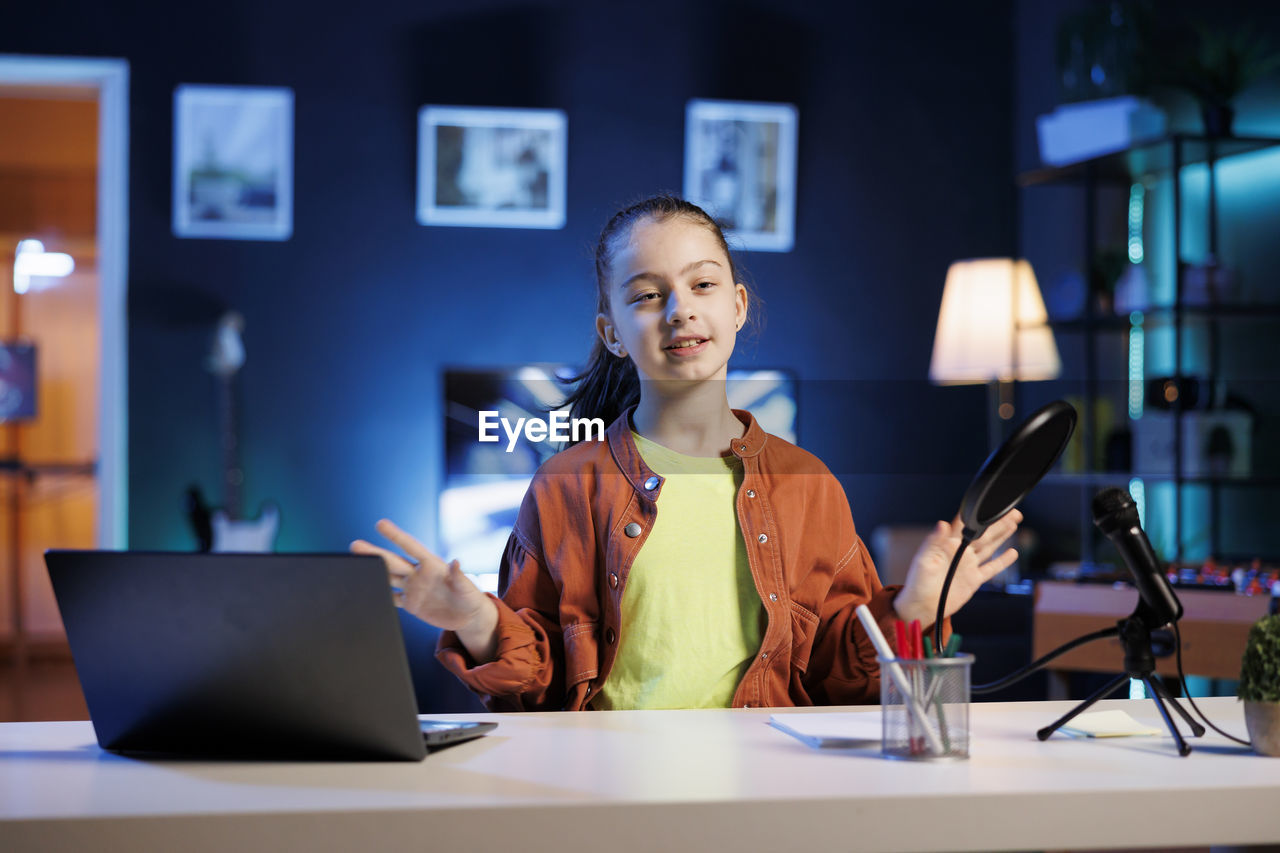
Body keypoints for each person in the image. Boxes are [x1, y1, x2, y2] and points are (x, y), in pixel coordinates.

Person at [351, 194, 1021, 712]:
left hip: (765, 804)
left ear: (737, 306)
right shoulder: (563, 487)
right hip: (605, 803)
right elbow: (534, 691)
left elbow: (838, 681)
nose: (679, 309)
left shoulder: (808, 484)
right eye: (646, 294)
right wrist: (475, 619)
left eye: (702, 285)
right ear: (611, 331)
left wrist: (911, 610)